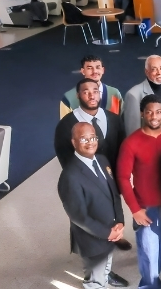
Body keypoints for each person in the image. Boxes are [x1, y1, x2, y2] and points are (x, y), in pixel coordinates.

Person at [57, 122, 128, 289]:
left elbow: (114, 194)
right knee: (95, 282)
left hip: (110, 233)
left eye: (93, 137)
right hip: (92, 239)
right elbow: (79, 216)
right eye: (84, 139)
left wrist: (119, 222)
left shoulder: (103, 161)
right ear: (73, 142)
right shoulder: (70, 175)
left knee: (105, 273)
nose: (90, 142)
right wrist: (108, 233)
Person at [116, 95, 161, 289]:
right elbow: (123, 178)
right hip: (147, 208)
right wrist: (135, 210)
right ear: (143, 114)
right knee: (149, 252)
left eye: (158, 112)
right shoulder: (131, 143)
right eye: (149, 112)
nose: (154, 116)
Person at [55, 78, 131, 255]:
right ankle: (92, 256)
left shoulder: (113, 119)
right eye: (86, 91)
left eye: (95, 91)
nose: (91, 95)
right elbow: (65, 159)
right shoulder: (66, 125)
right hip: (84, 181)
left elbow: (122, 148)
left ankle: (113, 237)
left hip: (109, 177)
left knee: (110, 212)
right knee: (85, 217)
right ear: (78, 95)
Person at [123, 55, 161, 134]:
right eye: (154, 69)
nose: (159, 72)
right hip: (151, 145)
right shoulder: (133, 95)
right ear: (146, 72)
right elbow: (132, 133)